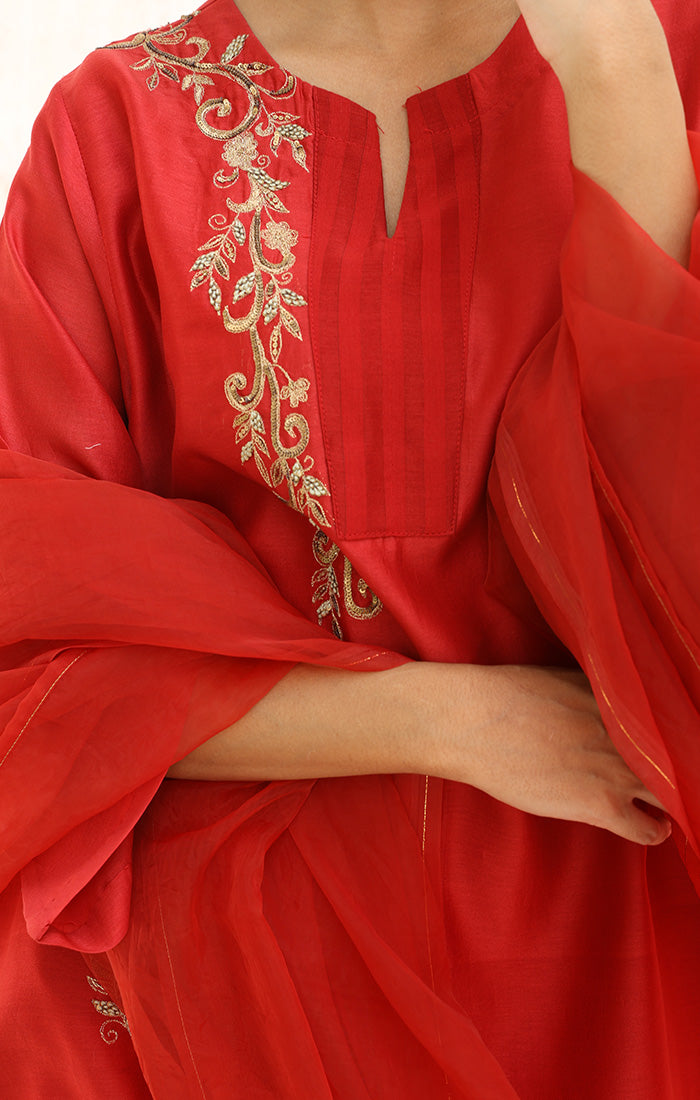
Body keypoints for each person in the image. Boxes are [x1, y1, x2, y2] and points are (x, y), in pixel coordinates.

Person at [1, 0, 700, 1095]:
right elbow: (35, 665)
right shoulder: (120, 122)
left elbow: (669, 572)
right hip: (240, 993)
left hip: (623, 953)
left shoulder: (666, 66)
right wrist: (448, 718)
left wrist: (613, 71)